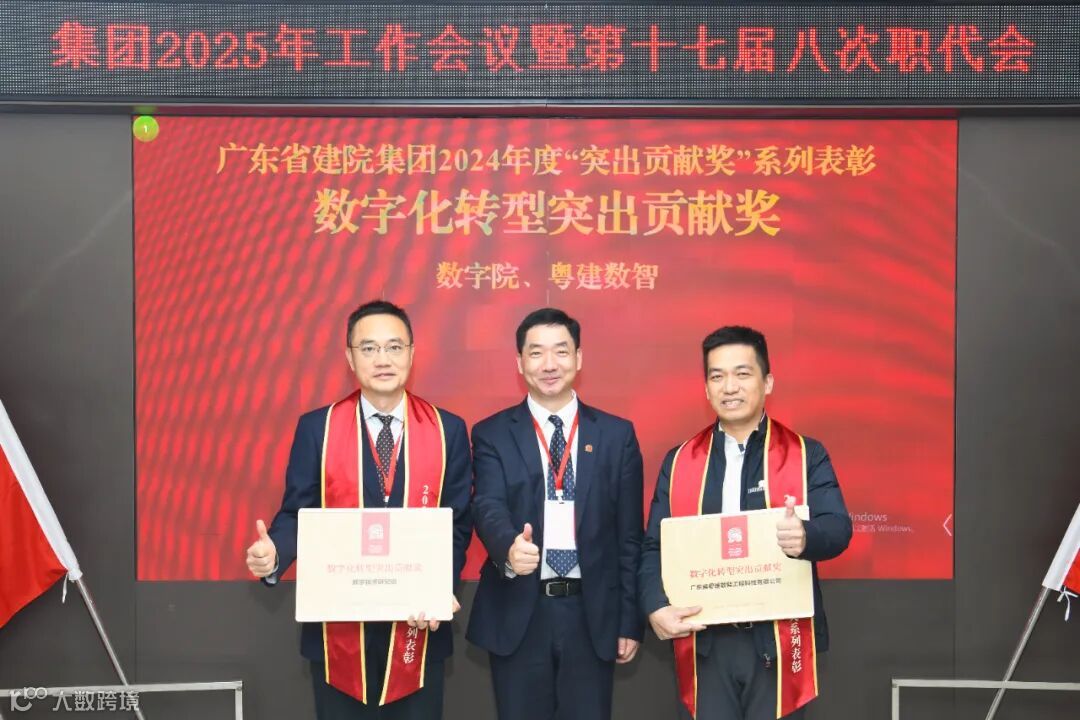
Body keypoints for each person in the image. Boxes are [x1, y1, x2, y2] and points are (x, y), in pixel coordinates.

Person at [245, 300, 472, 720]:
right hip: (339, 632)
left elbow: (456, 525)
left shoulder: (448, 430)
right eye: (368, 348)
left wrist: (439, 588)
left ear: (412, 353)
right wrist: (275, 552)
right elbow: (298, 511)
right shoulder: (318, 428)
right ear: (350, 358)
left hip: (418, 628)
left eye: (394, 347)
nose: (383, 359)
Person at [640, 326, 852, 720]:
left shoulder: (805, 454)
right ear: (706, 389)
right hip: (705, 645)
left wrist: (806, 536)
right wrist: (655, 606)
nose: (729, 387)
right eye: (717, 376)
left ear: (767, 382)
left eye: (742, 373)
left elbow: (838, 527)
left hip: (777, 643)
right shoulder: (681, 461)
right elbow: (655, 546)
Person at [467, 307, 645, 720]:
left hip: (592, 614)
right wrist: (508, 547)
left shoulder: (616, 435)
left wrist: (628, 620)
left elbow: (629, 536)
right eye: (536, 353)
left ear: (578, 358)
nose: (549, 364)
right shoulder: (492, 433)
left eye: (561, 351)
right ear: (520, 362)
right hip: (520, 612)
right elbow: (487, 504)